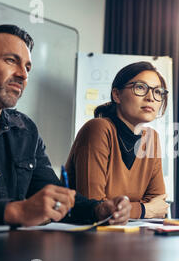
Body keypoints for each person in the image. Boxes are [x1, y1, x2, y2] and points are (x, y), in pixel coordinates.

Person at [0, 25, 131, 226]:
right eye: (11, 60)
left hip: (6, 251)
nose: (23, 75)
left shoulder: (25, 131)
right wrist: (14, 211)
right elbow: (18, 212)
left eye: (27, 67)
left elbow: (56, 197)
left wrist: (98, 209)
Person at [65, 61, 169, 219]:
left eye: (158, 92)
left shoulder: (151, 138)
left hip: (130, 235)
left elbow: (159, 206)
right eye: (140, 87)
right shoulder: (98, 129)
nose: (151, 98)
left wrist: (141, 209)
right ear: (117, 95)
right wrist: (144, 209)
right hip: (86, 237)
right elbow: (96, 207)